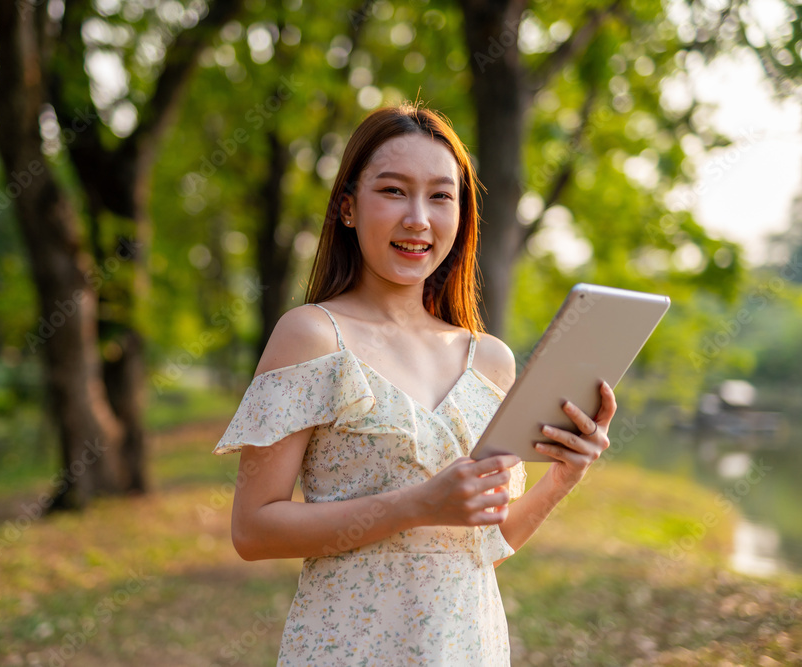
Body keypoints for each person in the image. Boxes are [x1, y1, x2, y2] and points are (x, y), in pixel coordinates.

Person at [212, 104, 616, 665]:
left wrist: (564, 477)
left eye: (441, 196)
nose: (418, 218)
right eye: (394, 191)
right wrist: (417, 504)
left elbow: (485, 546)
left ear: (462, 214)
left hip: (468, 647)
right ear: (348, 208)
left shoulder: (489, 360)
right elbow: (253, 531)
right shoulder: (312, 336)